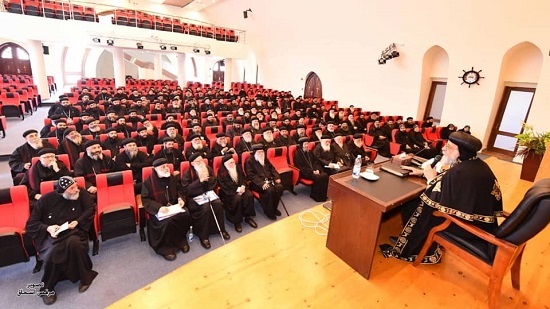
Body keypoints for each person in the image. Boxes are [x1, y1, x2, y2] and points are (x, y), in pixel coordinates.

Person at [380, 132, 503, 264]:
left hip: (465, 227)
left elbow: (436, 199)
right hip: (479, 220)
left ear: (459, 152)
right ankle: (409, 238)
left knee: (413, 203)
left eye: (449, 146)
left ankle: (416, 247)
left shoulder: (461, 172)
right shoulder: (475, 164)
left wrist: (430, 178)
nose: (443, 148)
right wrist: (422, 172)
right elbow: (452, 183)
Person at [25, 176, 98, 305]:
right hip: (52, 236)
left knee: (75, 244)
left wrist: (78, 221)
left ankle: (85, 278)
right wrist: (48, 228)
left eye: (76, 186)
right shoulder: (45, 200)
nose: (77, 190)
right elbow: (31, 224)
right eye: (72, 188)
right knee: (53, 251)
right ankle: (47, 288)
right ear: (62, 192)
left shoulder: (81, 194)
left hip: (75, 231)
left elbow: (90, 209)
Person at [141, 158, 191, 261]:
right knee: (167, 221)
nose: (166, 168)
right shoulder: (148, 182)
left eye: (166, 166)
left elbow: (179, 190)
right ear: (156, 169)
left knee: (185, 214)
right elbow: (145, 200)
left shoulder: (171, 177)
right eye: (163, 167)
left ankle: (181, 240)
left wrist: (180, 199)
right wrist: (159, 208)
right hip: (159, 211)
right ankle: (166, 248)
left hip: (173, 207)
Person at [181, 153, 230, 249]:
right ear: (192, 163)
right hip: (194, 198)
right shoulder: (188, 173)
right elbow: (186, 190)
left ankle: (220, 229)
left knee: (218, 204)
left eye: (201, 160)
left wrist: (207, 182)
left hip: (208, 193)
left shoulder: (208, 168)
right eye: (198, 161)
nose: (201, 163)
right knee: (205, 207)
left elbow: (214, 181)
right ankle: (204, 236)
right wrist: (199, 181)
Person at [217, 154, 257, 232]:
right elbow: (224, 186)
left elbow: (244, 178)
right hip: (230, 192)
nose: (233, 164)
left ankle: (248, 217)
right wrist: (236, 190)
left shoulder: (237, 166)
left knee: (249, 195)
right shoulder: (222, 172)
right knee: (237, 199)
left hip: (241, 188)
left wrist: (243, 186)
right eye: (230, 163)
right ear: (225, 164)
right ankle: (237, 221)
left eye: (233, 162)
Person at [245, 144, 284, 220]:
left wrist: (277, 177)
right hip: (257, 183)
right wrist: (262, 183)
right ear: (255, 152)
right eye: (259, 152)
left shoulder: (264, 158)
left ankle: (274, 208)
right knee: (270, 190)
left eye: (262, 152)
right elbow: (251, 175)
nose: (261, 154)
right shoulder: (249, 161)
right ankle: (269, 212)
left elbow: (272, 168)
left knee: (280, 187)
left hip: (269, 180)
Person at [293, 137, 329, 202]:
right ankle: (315, 195)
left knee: (325, 175)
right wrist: (312, 172)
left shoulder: (310, 152)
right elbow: (300, 167)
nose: (307, 146)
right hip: (305, 173)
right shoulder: (297, 154)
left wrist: (318, 169)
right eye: (305, 144)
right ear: (301, 145)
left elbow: (315, 162)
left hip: (314, 171)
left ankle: (323, 195)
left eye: (307, 144)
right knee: (319, 177)